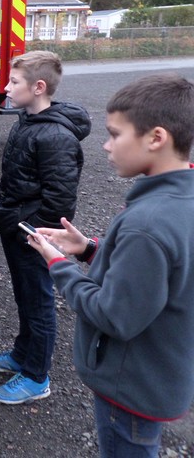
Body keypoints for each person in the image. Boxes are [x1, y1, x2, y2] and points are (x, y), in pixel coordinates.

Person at [27, 73, 194, 457]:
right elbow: (164, 272)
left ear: (156, 138)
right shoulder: (180, 201)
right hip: (164, 371)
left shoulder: (147, 224)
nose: (105, 145)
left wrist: (59, 264)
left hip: (132, 384)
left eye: (115, 134)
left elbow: (114, 316)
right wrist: (89, 249)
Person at [0, 50, 90, 404]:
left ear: (38, 87)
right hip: (18, 228)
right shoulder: (28, 121)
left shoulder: (55, 136)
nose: (6, 87)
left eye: (14, 82)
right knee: (25, 296)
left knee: (38, 302)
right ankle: (22, 354)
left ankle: (36, 376)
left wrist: (33, 233)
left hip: (33, 236)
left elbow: (60, 200)